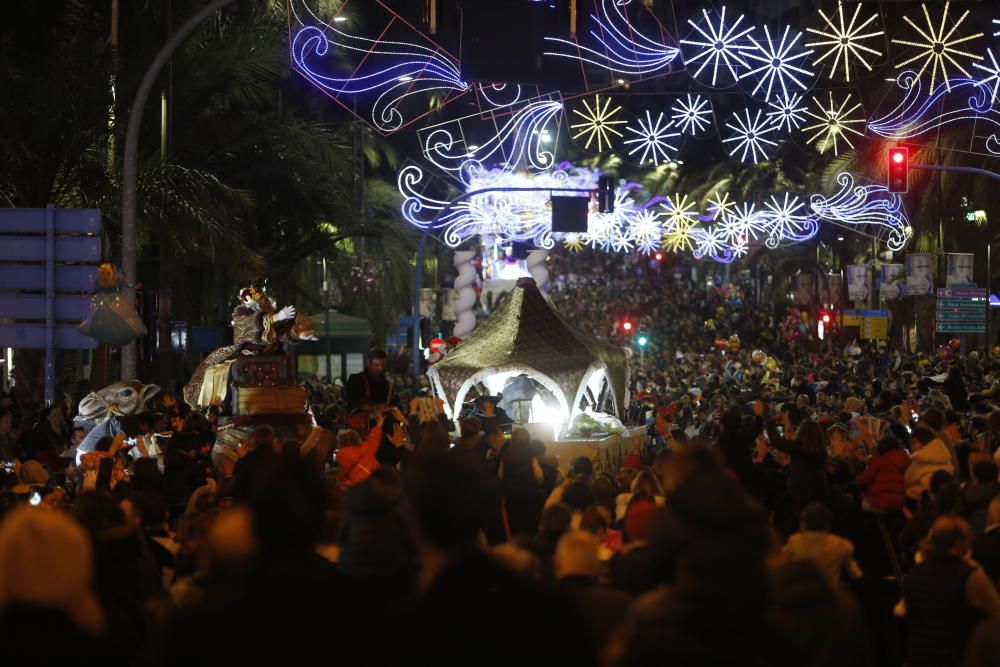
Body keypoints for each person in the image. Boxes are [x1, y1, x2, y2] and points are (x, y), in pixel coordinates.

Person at [901, 516, 1000, 667]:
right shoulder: (970, 577)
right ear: (959, 542)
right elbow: (996, 611)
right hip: (956, 657)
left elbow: (904, 612)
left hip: (919, 656)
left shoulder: (915, 573)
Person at [783, 503, 863, 588]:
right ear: (828, 524)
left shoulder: (794, 541)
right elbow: (855, 573)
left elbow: (782, 562)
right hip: (829, 594)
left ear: (803, 523)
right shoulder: (840, 544)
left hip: (801, 593)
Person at [855, 434, 910, 512]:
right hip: (900, 503)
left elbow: (865, 478)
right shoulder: (905, 459)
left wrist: (857, 479)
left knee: (860, 506)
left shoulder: (880, 460)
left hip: (879, 501)